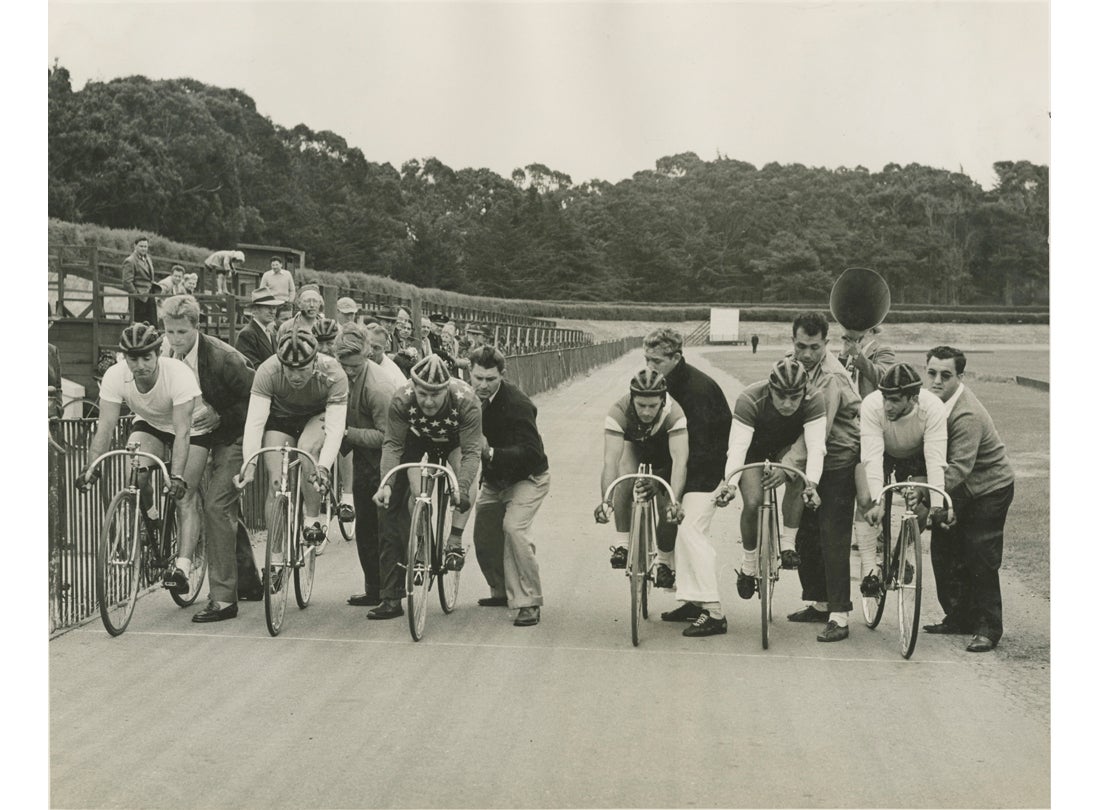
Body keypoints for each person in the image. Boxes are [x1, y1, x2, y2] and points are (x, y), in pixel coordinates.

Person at [75, 323, 210, 593]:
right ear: (124, 358)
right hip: (152, 424)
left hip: (191, 428)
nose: (140, 365)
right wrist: (91, 466)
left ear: (158, 353)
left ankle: (182, 567)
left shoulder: (178, 374)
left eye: (146, 358)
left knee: (184, 495)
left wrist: (177, 477)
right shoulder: (116, 376)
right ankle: (152, 517)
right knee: (135, 473)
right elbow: (105, 427)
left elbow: (182, 432)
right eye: (133, 359)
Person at [159, 295, 262, 621]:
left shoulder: (224, 357)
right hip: (199, 437)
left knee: (217, 505)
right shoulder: (164, 353)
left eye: (182, 333)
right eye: (170, 332)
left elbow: (259, 399)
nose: (176, 340)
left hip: (233, 434)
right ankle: (246, 580)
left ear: (197, 327)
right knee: (208, 501)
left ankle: (222, 599)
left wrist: (222, 416)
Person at [369, 355, 481, 620]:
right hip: (417, 440)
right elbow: (393, 445)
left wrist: (461, 488)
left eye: (435, 395)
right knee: (417, 493)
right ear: (414, 388)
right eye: (422, 394)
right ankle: (421, 542)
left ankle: (454, 540)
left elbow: (471, 453)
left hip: (455, 441)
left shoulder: (466, 399)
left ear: (447, 389)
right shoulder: (402, 398)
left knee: (466, 482)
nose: (428, 401)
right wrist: (386, 483)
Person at [921, 346, 1015, 653]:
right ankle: (959, 618)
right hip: (958, 488)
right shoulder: (930, 404)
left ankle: (989, 628)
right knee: (943, 550)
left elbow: (959, 469)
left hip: (990, 488)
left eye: (945, 375)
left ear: (960, 377)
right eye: (932, 373)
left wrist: (924, 493)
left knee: (979, 554)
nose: (937, 381)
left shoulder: (967, 414)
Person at [643, 327, 733, 638]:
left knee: (691, 529)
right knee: (682, 530)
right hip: (682, 467)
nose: (650, 367)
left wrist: (671, 485)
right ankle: (694, 601)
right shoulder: (661, 385)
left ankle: (714, 611)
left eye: (656, 361)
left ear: (677, 357)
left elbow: (703, 448)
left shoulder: (698, 390)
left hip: (706, 470)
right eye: (646, 360)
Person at [715, 357, 825, 599]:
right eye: (781, 396)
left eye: (794, 397)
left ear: (804, 392)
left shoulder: (815, 398)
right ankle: (748, 564)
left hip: (787, 450)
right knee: (753, 502)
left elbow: (816, 446)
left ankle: (788, 544)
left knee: (800, 478)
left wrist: (812, 484)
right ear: (770, 389)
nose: (787, 404)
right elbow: (738, 447)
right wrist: (731, 483)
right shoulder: (750, 397)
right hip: (754, 449)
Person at [235, 329, 349, 562]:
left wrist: (324, 467)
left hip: (316, 417)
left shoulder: (334, 372)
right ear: (281, 363)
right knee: (276, 483)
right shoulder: (268, 370)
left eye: (302, 369)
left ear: (314, 362)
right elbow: (255, 422)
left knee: (308, 450)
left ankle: (312, 520)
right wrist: (250, 462)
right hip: (281, 419)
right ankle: (275, 556)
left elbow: (336, 429)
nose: (295, 375)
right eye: (289, 369)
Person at [783, 312, 862, 642]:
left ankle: (839, 615)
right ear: (793, 341)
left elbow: (819, 431)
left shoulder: (830, 376)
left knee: (833, 535)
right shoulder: (792, 363)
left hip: (838, 459)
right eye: (801, 346)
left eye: (814, 347)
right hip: (811, 460)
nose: (807, 354)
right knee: (807, 534)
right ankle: (820, 603)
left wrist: (787, 463)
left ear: (826, 343)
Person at [468, 347, 551, 626]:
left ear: (502, 375)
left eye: (490, 379)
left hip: (528, 478)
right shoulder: (470, 398)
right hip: (495, 480)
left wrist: (490, 453)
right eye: (478, 377)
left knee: (514, 529)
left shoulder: (518, 404)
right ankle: (502, 590)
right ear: (470, 372)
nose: (482, 385)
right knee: (484, 534)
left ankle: (529, 601)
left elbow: (532, 453)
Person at [859, 362, 949, 598]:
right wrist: (878, 501)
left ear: (913, 398)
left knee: (918, 508)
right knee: (866, 496)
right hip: (882, 451)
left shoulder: (932, 407)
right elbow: (872, 457)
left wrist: (937, 505)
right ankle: (870, 567)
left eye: (896, 400)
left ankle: (898, 558)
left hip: (915, 455)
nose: (888, 406)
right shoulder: (871, 406)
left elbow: (935, 457)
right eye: (885, 398)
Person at [594, 369, 687, 587]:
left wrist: (675, 500)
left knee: (668, 509)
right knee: (625, 475)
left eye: (652, 406)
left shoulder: (675, 414)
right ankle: (623, 545)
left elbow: (680, 461)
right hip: (634, 446)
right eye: (641, 405)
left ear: (663, 401)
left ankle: (664, 562)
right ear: (631, 399)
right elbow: (610, 461)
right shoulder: (618, 411)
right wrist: (606, 500)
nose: (646, 412)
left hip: (664, 455)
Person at [333, 324, 398, 607]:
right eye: (343, 365)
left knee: (386, 529)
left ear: (367, 354)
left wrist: (346, 434)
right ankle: (373, 587)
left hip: (387, 461)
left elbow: (388, 437)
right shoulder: (342, 375)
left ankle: (391, 593)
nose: (348, 371)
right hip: (363, 458)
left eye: (354, 366)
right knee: (365, 528)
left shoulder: (379, 386)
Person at [234, 287, 283, 369]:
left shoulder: (271, 333)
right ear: (255, 310)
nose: (272, 312)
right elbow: (251, 367)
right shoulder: (247, 334)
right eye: (267, 307)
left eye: (274, 308)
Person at [120, 236, 157, 324]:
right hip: (138, 298)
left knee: (153, 323)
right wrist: (137, 295)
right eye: (141, 246)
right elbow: (127, 281)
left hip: (150, 295)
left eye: (145, 246)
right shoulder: (130, 261)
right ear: (135, 246)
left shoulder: (148, 258)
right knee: (139, 323)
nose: (144, 249)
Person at [365, 322, 411, 389]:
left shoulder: (391, 375)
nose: (370, 351)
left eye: (376, 348)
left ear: (384, 349)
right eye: (367, 345)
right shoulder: (357, 362)